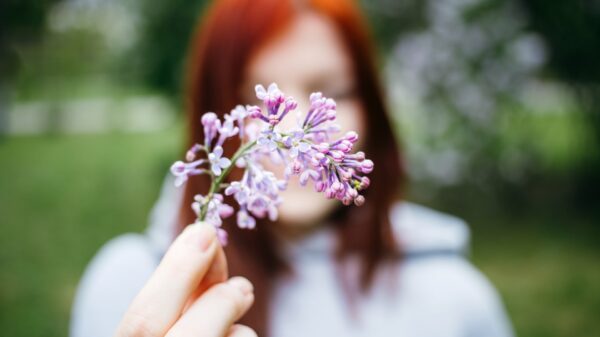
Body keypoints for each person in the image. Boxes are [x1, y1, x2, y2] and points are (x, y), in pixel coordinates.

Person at [70, 0, 515, 336]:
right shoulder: (129, 287)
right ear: (212, 113)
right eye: (255, 99)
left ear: (375, 112)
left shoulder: (458, 302)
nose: (295, 123)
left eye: (334, 92)